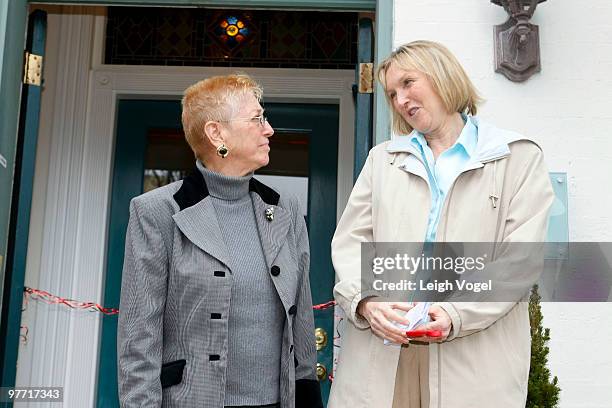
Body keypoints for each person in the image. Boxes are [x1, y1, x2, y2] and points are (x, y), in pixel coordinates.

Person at [328, 41, 554, 408]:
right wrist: (366, 301)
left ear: (442, 76)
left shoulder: (517, 158)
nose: (400, 100)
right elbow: (351, 243)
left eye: (408, 83)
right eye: (392, 93)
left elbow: (520, 260)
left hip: (472, 359)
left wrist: (455, 313)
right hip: (385, 354)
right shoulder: (382, 160)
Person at [117, 74, 322, 408]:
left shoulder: (285, 209)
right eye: (257, 119)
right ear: (216, 133)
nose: (269, 129)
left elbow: (301, 325)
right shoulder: (156, 212)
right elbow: (139, 338)